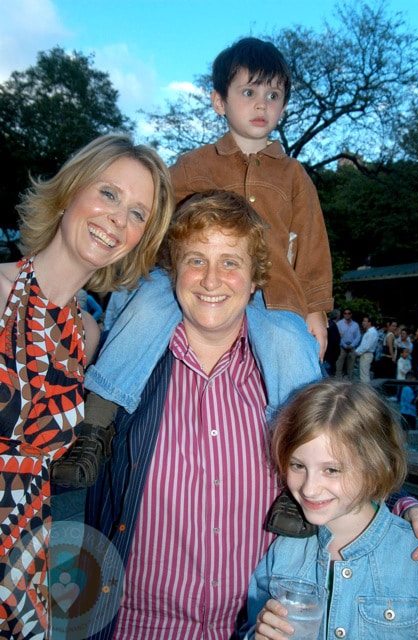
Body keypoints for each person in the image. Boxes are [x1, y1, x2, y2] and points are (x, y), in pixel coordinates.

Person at [82, 190, 323, 640]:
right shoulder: (127, 373)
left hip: (257, 629)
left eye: (231, 262)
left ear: (254, 281)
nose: (211, 280)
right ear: (173, 274)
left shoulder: (290, 384)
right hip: (134, 628)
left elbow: (343, 472)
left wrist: (402, 512)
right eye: (196, 260)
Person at [81, 37, 333, 425]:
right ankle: (97, 420)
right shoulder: (193, 166)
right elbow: (156, 218)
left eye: (274, 94)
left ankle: (302, 446)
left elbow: (313, 243)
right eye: (249, 92)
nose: (262, 104)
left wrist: (315, 310)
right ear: (220, 101)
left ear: (284, 104)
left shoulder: (294, 176)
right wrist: (143, 269)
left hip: (272, 291)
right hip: (192, 276)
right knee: (147, 305)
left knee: (291, 344)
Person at [0, 133, 174, 639]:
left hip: (24, 574)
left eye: (139, 214)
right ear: (72, 190)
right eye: (109, 194)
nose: (119, 220)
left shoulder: (92, 338)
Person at [237, 379, 418, 640]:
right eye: (297, 466)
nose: (310, 489)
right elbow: (251, 624)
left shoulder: (415, 557)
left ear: (375, 466)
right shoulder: (282, 552)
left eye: (332, 470)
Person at [335, 308, 361, 379]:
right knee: (339, 366)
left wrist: (352, 345)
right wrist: (344, 345)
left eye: (349, 313)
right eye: (345, 313)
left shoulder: (355, 325)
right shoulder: (339, 324)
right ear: (343, 315)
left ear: (351, 314)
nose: (347, 315)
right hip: (342, 347)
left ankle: (350, 382)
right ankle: (337, 382)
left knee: (351, 367)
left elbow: (358, 336)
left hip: (352, 347)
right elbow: (338, 336)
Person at [354, 315, 378, 382]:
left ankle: (366, 390)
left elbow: (366, 346)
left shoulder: (372, 332)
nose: (363, 323)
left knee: (364, 375)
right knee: (363, 374)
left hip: (366, 354)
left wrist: (358, 352)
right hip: (364, 354)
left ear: (369, 323)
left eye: (365, 321)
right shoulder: (369, 332)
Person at [323, 309, 340, 376]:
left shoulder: (325, 324)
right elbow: (335, 341)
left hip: (327, 354)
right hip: (329, 355)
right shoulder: (331, 325)